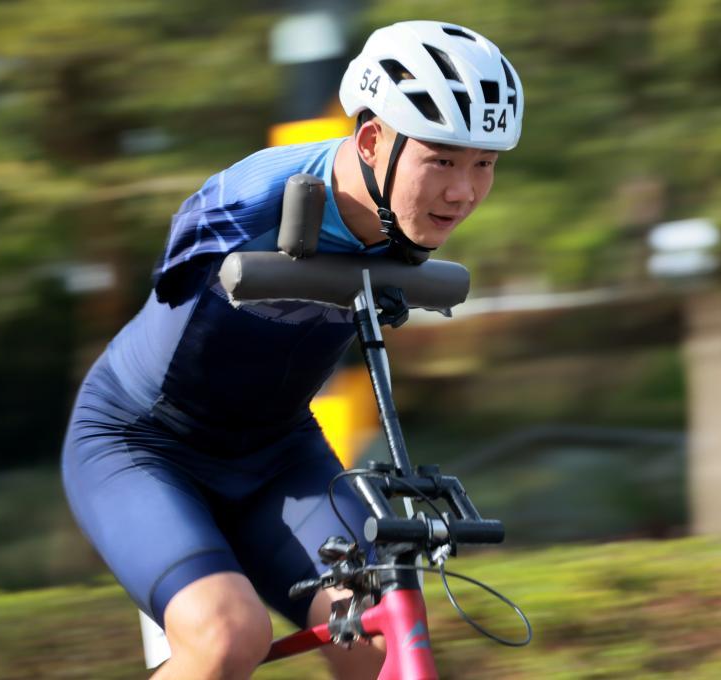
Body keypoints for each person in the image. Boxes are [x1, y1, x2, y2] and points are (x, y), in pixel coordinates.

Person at [62, 20, 524, 680]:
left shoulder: (411, 221)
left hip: (278, 453)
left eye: (484, 164)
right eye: (442, 160)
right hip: (142, 444)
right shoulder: (254, 200)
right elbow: (173, 266)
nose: (463, 192)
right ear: (372, 141)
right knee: (228, 636)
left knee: (382, 634)